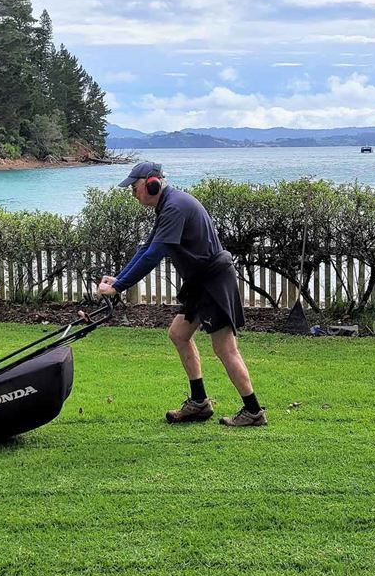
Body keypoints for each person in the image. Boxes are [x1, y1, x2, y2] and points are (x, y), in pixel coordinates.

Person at [96, 161, 266, 427]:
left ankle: (253, 411)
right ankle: (199, 403)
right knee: (178, 334)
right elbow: (146, 248)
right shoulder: (168, 205)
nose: (133, 193)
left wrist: (118, 287)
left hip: (213, 281)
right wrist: (119, 279)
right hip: (200, 282)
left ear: (152, 183)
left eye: (135, 187)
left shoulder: (174, 206)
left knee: (225, 348)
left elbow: (154, 254)